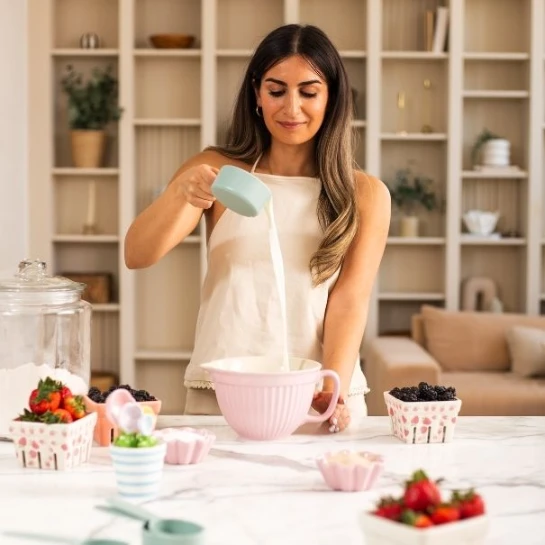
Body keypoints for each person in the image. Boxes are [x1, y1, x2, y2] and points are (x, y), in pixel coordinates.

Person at [124, 24, 391, 433]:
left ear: (332, 96)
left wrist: (330, 389)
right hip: (224, 391)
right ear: (256, 94)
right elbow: (137, 254)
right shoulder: (218, 171)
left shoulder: (364, 193)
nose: (291, 108)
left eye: (309, 91)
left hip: (315, 396)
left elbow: (349, 300)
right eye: (276, 89)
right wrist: (181, 192)